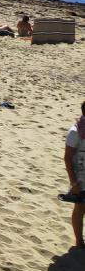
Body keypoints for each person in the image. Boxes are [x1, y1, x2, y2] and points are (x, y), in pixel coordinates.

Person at [63, 102, 85, 248]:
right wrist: (74, 183)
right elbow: (67, 158)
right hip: (82, 178)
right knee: (80, 208)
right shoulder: (75, 132)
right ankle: (79, 241)